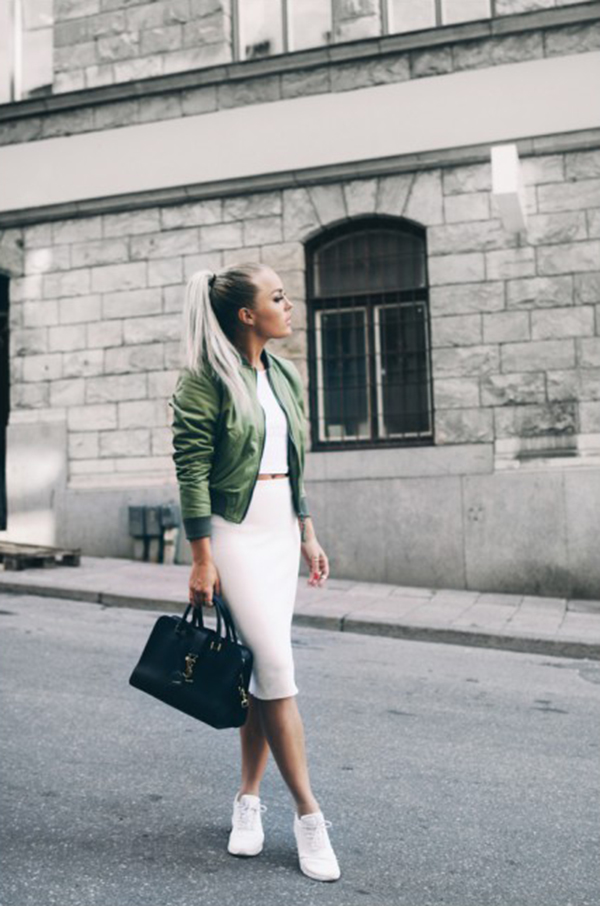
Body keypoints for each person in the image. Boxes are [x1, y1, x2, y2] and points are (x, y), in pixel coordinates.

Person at [168, 263, 341, 883]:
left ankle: (247, 799)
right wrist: (201, 558)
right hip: (234, 536)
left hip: (279, 532)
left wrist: (308, 531)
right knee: (275, 669)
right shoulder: (206, 381)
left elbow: (294, 460)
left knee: (260, 676)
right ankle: (308, 814)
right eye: (277, 297)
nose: (287, 304)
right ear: (247, 314)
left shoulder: (285, 373)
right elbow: (191, 471)